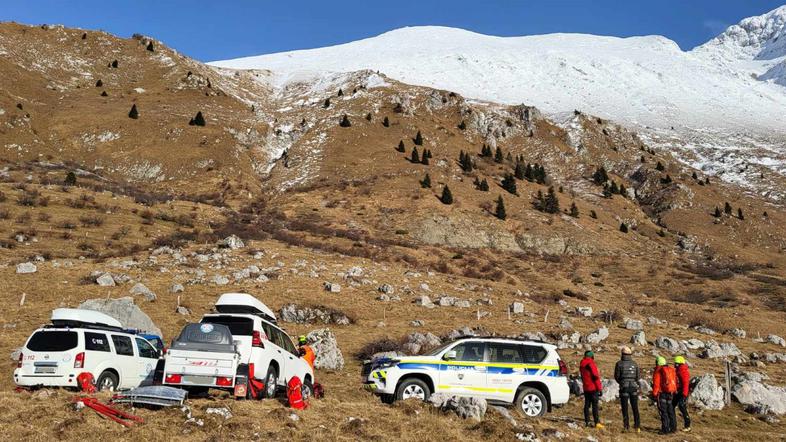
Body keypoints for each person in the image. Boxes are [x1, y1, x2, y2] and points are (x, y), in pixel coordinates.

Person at [614, 347, 640, 433]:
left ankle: (626, 426)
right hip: (633, 387)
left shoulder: (619, 364)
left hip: (624, 387)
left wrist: (621, 382)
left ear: (622, 354)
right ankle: (637, 426)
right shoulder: (635, 364)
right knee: (635, 407)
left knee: (625, 407)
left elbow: (616, 376)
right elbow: (638, 377)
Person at [652, 356, 678, 434]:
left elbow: (656, 384)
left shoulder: (658, 370)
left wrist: (654, 394)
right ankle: (673, 428)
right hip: (670, 393)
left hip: (662, 394)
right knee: (671, 411)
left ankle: (665, 429)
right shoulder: (671, 370)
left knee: (663, 412)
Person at [580, 350, 604, 429]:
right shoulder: (591, 364)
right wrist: (599, 388)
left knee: (587, 405)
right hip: (593, 387)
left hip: (586, 387)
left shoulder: (582, 363)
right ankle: (596, 422)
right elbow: (595, 377)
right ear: (592, 356)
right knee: (595, 406)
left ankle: (587, 422)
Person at [673, 356, 692, 432]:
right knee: (672, 406)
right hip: (679, 391)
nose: (674, 364)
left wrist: (684, 394)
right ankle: (673, 424)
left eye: (676, 363)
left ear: (679, 364)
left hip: (683, 392)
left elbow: (685, 383)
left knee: (682, 407)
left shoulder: (683, 371)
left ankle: (687, 426)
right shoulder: (679, 370)